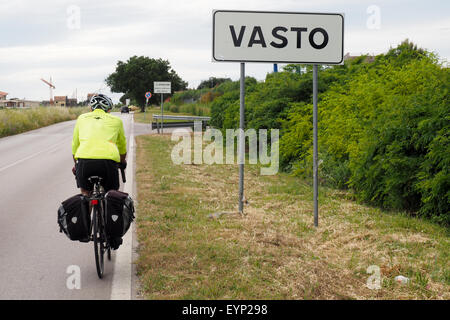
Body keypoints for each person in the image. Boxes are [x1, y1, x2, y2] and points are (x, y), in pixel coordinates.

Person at [71, 93, 127, 249]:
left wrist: (76, 164)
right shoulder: (116, 120)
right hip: (108, 162)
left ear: (91, 108)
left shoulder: (81, 119)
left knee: (85, 193)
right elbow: (122, 146)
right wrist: (122, 163)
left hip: (84, 161)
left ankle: (84, 230)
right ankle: (113, 235)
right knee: (112, 194)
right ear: (109, 109)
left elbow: (75, 146)